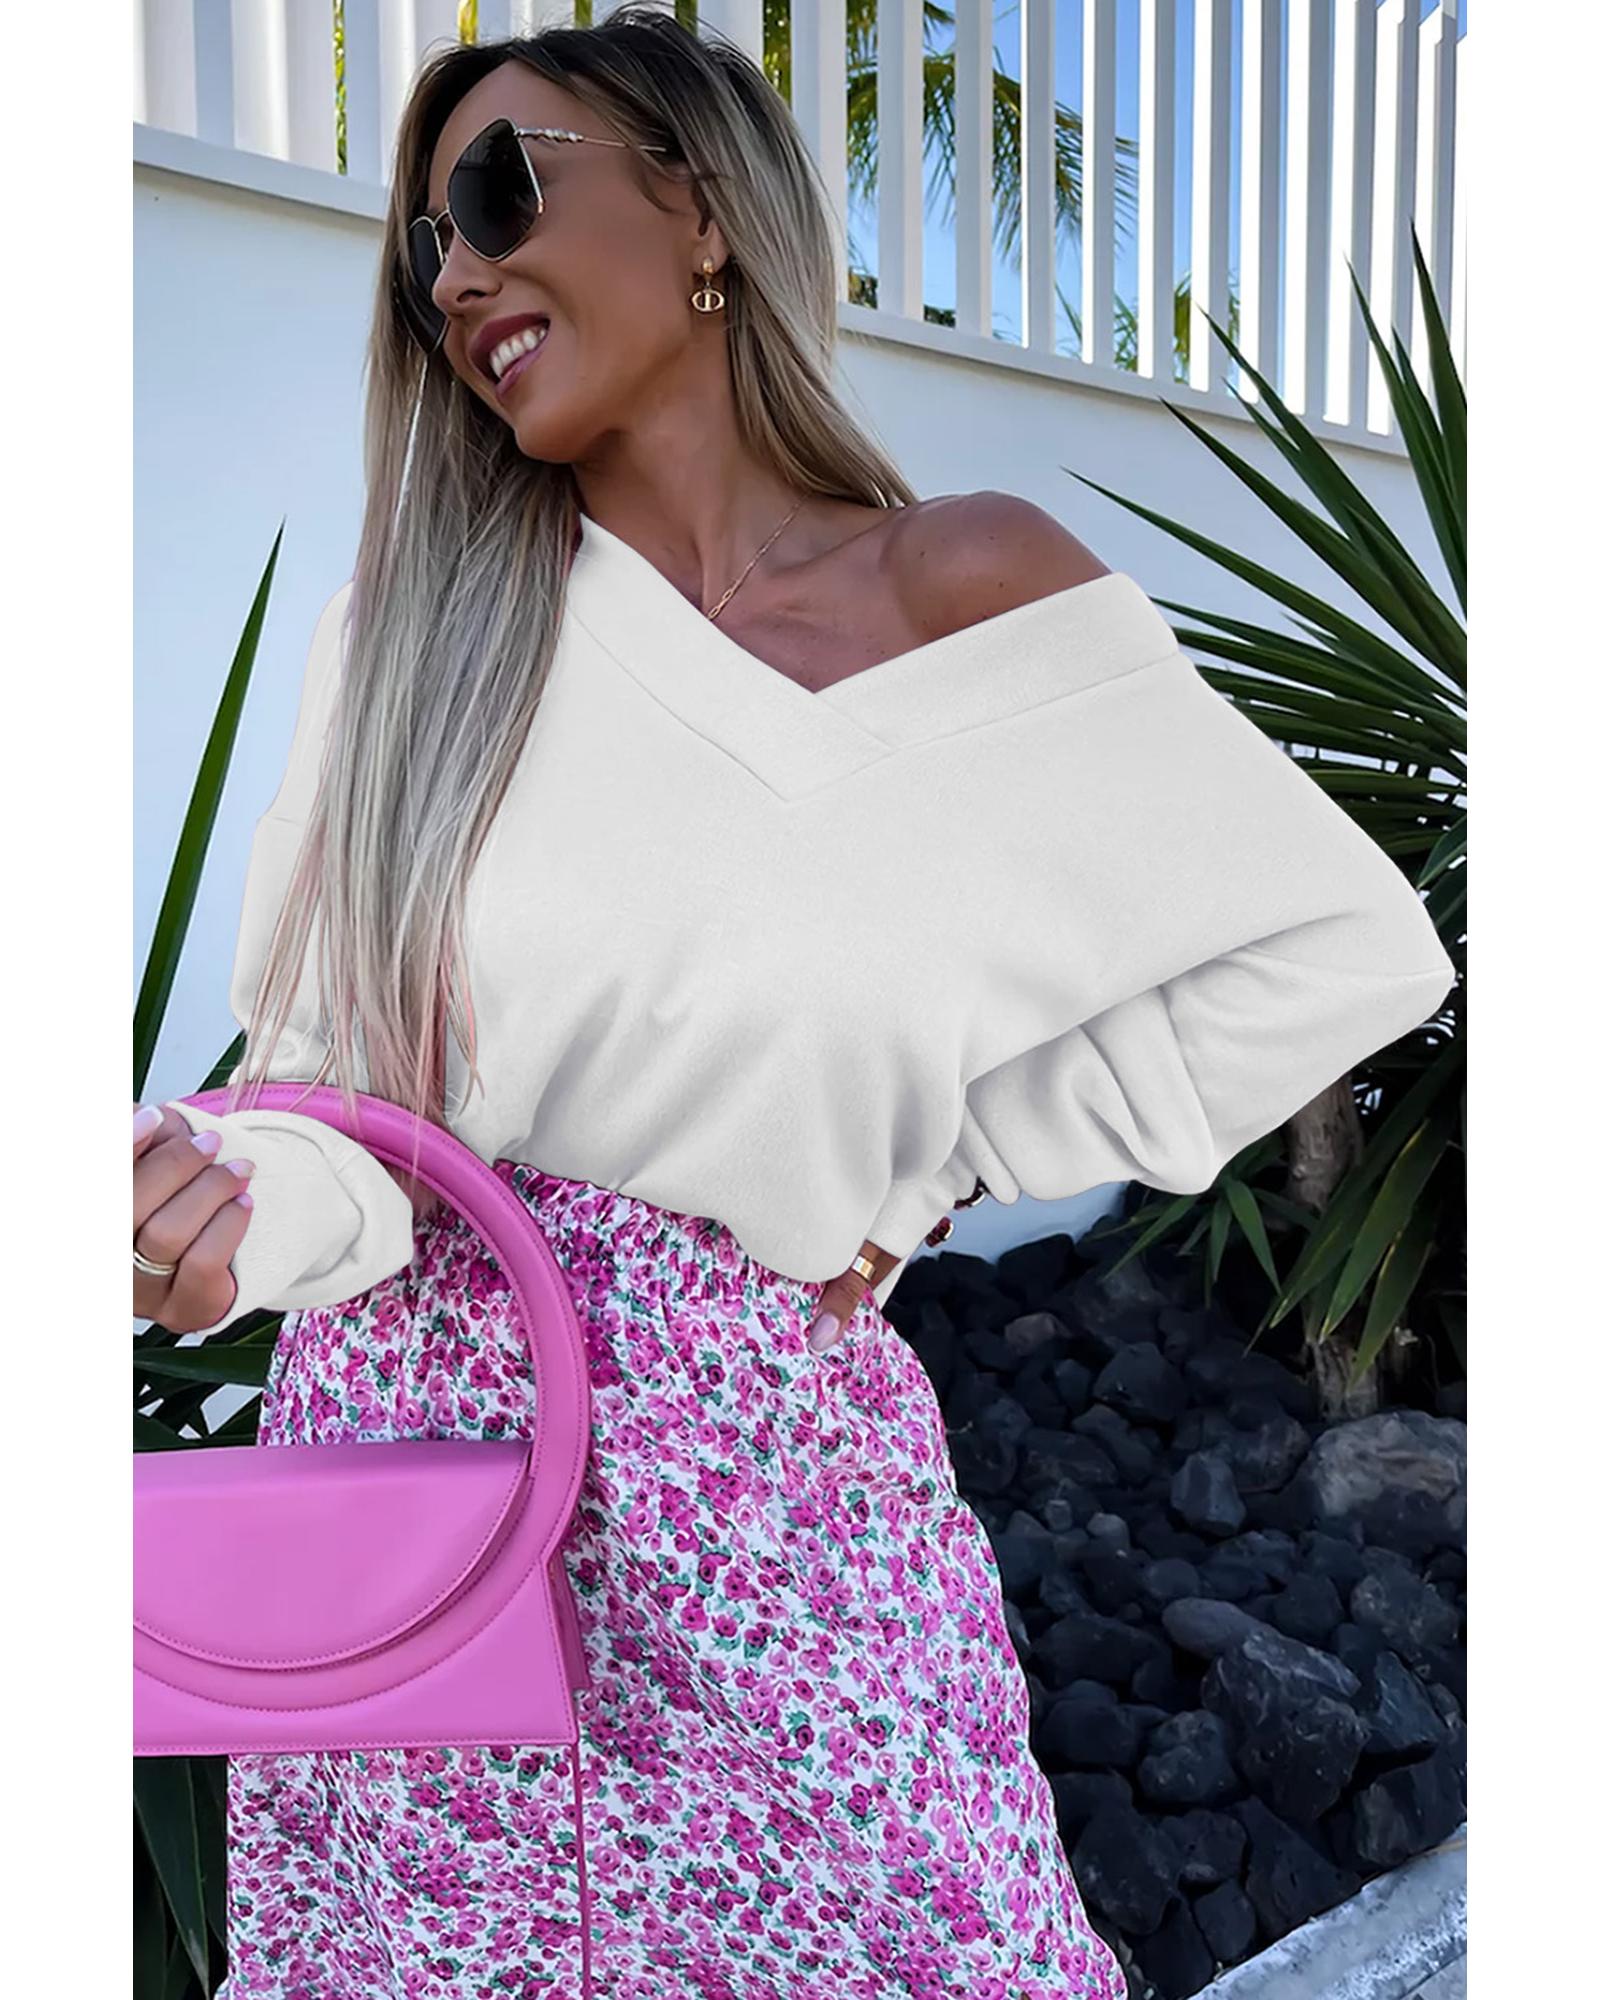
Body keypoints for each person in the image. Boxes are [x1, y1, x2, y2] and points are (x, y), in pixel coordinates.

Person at [132, 12, 1455, 1998]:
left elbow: (1338, 945)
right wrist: (214, 1216)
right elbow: (335, 1108)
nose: (458, 273)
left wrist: (951, 1164)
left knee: (926, 1938)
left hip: (773, 1487)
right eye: (425, 246)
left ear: (701, 206)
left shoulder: (969, 591)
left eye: (499, 189)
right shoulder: (403, 642)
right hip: (421, 1502)